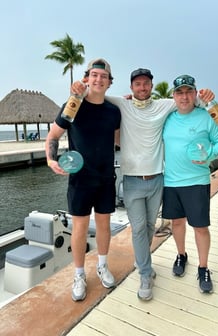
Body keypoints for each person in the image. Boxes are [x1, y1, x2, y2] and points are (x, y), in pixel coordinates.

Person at [71, 68, 214, 301]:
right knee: (138, 228)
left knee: (149, 227)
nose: (142, 88)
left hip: (157, 179)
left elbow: (189, 100)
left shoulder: (164, 105)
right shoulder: (121, 103)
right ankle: (145, 274)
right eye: (137, 84)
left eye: (146, 83)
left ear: (152, 86)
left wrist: (207, 96)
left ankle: (142, 260)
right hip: (133, 182)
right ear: (131, 88)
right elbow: (96, 92)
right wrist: (79, 88)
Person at [45, 58, 121, 301]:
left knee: (104, 226)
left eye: (103, 76)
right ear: (87, 78)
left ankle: (102, 265)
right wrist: (50, 159)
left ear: (109, 83)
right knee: (79, 227)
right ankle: (79, 274)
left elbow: (119, 141)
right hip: (80, 179)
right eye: (94, 75)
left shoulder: (113, 112)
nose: (98, 79)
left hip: (106, 178)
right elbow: (53, 135)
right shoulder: (73, 105)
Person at [161, 74, 218, 293]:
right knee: (177, 223)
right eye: (180, 92)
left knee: (200, 227)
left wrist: (209, 156)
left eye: (189, 91)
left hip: (197, 181)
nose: (184, 96)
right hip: (171, 181)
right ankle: (181, 255)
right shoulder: (167, 118)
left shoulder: (205, 116)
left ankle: (203, 267)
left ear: (195, 93)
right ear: (174, 96)